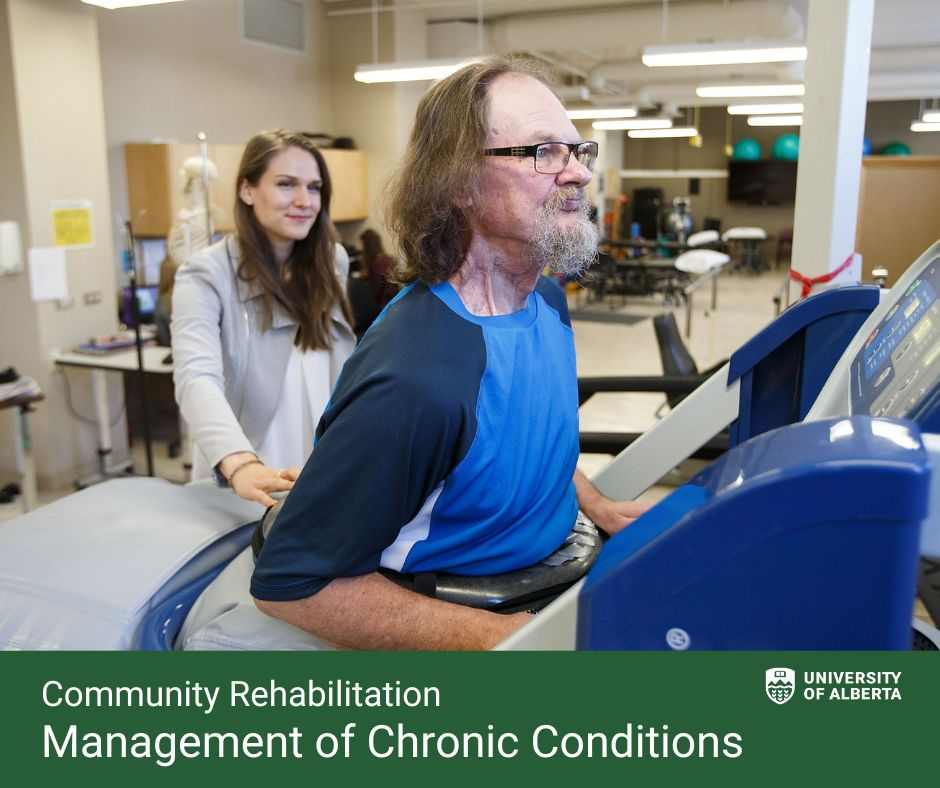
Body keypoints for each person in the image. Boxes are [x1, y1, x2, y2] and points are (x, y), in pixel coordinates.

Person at [250, 58, 647, 649]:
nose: (579, 175)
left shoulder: (544, 300)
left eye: (576, 150)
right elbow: (290, 582)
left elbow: (533, 436)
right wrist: (509, 640)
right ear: (458, 182)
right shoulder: (417, 375)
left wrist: (600, 508)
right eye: (543, 152)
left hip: (550, 578)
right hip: (468, 606)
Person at [172, 130, 355, 507]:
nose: (305, 201)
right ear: (247, 190)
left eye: (315, 187)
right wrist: (239, 463)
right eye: (286, 185)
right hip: (249, 456)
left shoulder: (332, 260)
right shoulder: (206, 274)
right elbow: (196, 377)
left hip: (323, 449)